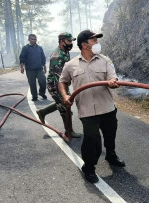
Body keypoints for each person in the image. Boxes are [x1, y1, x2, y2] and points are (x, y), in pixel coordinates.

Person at [58, 29, 125, 184]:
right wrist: (65, 96)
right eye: (94, 40)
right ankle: (89, 167)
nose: (97, 43)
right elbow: (62, 82)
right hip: (87, 111)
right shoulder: (71, 65)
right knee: (91, 140)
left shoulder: (105, 60)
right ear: (84, 45)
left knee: (110, 135)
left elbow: (112, 76)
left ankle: (111, 155)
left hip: (107, 108)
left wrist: (113, 81)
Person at [36, 32, 80, 138]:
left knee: (62, 103)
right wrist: (63, 93)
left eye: (71, 41)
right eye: (69, 41)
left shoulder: (65, 51)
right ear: (61, 41)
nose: (71, 43)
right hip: (56, 85)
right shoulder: (57, 56)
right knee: (65, 106)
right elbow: (58, 79)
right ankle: (69, 131)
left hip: (61, 82)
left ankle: (42, 112)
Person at [19, 34, 47, 101]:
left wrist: (45, 67)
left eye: (35, 39)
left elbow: (43, 58)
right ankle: (34, 96)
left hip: (39, 68)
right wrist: (22, 67)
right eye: (32, 39)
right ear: (29, 40)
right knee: (32, 83)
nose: (34, 41)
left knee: (43, 80)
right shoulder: (25, 48)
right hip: (30, 69)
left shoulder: (39, 48)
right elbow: (22, 58)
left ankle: (42, 93)